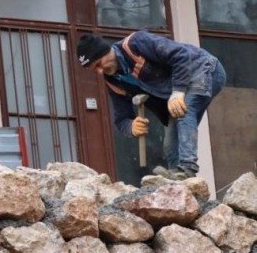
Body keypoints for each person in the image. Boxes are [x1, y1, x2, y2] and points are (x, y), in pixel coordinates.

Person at [76, 31, 226, 180]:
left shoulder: (136, 43)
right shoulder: (113, 81)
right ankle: (178, 180)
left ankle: (187, 168)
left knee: (184, 112)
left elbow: (181, 55)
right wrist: (131, 127)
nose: (100, 71)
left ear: (106, 51)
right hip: (179, 91)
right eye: (95, 69)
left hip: (204, 69)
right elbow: (121, 118)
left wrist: (178, 91)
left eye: (99, 64)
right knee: (170, 143)